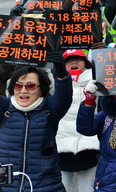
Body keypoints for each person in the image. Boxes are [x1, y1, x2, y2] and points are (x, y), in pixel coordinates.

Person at [0, 53, 72, 192]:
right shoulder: (4, 108)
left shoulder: (49, 109)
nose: (23, 90)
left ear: (41, 89)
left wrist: (62, 75)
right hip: (7, 186)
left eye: (30, 86)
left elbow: (64, 97)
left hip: (44, 186)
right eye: (18, 85)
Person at [56, 49, 100, 192]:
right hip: (61, 145)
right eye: (68, 60)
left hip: (89, 144)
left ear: (86, 62)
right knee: (62, 188)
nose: (73, 62)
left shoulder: (97, 80)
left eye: (78, 59)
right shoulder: (54, 81)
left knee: (88, 189)